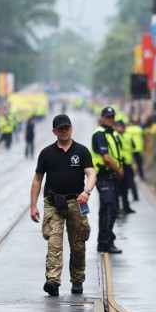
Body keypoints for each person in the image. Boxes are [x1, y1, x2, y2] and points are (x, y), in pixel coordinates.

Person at [31, 114, 96, 296]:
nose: (64, 131)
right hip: (53, 203)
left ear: (71, 128)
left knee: (77, 244)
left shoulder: (81, 151)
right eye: (61, 129)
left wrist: (87, 192)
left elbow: (91, 174)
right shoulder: (46, 153)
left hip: (76, 202)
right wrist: (33, 206)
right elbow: (37, 180)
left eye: (67, 128)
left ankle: (77, 279)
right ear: (54, 132)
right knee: (54, 242)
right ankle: (52, 280)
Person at [91, 106, 124, 254]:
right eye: (108, 117)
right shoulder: (100, 134)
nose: (111, 119)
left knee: (111, 209)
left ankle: (106, 240)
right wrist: (118, 170)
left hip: (112, 177)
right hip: (104, 176)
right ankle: (104, 242)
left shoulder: (112, 133)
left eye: (112, 117)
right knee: (108, 209)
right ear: (102, 117)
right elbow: (106, 157)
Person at [114, 120, 136, 214]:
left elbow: (133, 148)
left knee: (126, 187)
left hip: (127, 164)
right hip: (119, 165)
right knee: (118, 188)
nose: (119, 128)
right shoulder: (114, 136)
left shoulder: (128, 136)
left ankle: (126, 207)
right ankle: (118, 208)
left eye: (120, 126)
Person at [126, 118, 145, 184]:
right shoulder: (139, 129)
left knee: (130, 163)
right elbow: (142, 138)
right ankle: (141, 176)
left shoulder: (128, 129)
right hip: (138, 149)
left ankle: (132, 176)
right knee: (139, 163)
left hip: (130, 149)